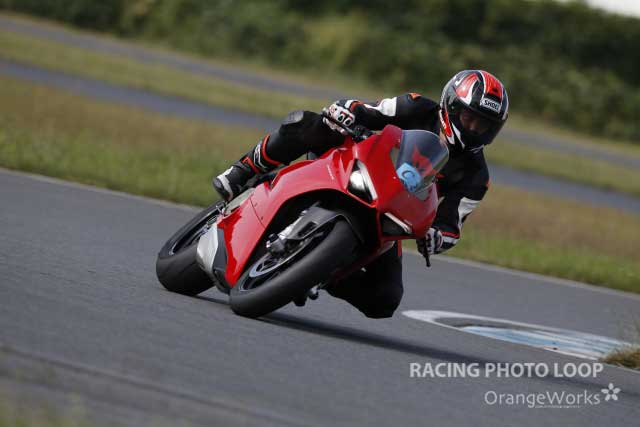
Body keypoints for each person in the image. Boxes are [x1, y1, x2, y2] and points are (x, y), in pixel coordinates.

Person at [213, 69, 509, 318]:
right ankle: (242, 171)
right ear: (451, 106)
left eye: (484, 125)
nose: (474, 128)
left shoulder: (477, 176)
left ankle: (321, 271)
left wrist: (437, 238)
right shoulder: (416, 106)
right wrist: (346, 111)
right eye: (469, 117)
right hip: (355, 164)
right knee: (307, 124)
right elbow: (369, 110)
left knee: (386, 299)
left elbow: (451, 226)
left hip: (391, 212)